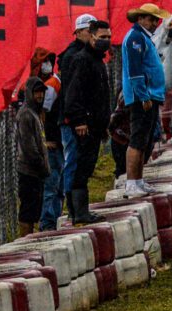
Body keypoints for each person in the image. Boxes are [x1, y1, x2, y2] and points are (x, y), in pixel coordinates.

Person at [58, 20, 112, 225]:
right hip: (84, 125)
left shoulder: (98, 60)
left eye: (108, 37)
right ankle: (78, 213)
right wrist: (79, 120)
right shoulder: (81, 60)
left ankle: (81, 211)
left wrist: (103, 124)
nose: (106, 41)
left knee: (87, 167)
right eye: (102, 37)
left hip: (95, 125)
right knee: (80, 168)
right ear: (91, 36)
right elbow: (73, 95)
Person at [122, 4, 169, 198]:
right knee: (137, 139)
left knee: (146, 140)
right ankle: (131, 182)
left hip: (151, 95)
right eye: (151, 19)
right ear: (140, 18)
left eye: (156, 20)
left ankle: (139, 180)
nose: (155, 23)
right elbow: (135, 71)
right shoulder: (135, 38)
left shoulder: (144, 38)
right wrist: (143, 95)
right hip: (143, 97)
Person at [33, 49, 64, 231]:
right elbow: (43, 113)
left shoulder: (62, 83)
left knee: (59, 186)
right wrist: (45, 140)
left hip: (60, 141)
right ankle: (47, 223)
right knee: (51, 186)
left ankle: (55, 218)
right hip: (52, 142)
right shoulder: (53, 85)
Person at [15, 78, 51, 237]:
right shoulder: (25, 114)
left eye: (42, 92)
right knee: (27, 210)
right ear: (29, 93)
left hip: (35, 171)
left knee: (34, 209)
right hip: (28, 170)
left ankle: (29, 237)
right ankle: (25, 240)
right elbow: (29, 147)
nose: (40, 95)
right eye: (37, 92)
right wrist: (40, 164)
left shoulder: (35, 113)